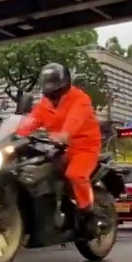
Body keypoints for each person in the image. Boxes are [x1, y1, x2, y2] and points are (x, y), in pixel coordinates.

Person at [15, 63, 104, 238]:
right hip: (56, 148)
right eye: (49, 90)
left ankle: (88, 213)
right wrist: (15, 135)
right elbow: (31, 121)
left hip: (84, 147)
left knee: (75, 175)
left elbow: (74, 120)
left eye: (56, 89)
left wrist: (64, 135)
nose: (53, 95)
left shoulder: (80, 99)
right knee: (31, 171)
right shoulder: (43, 104)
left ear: (65, 85)